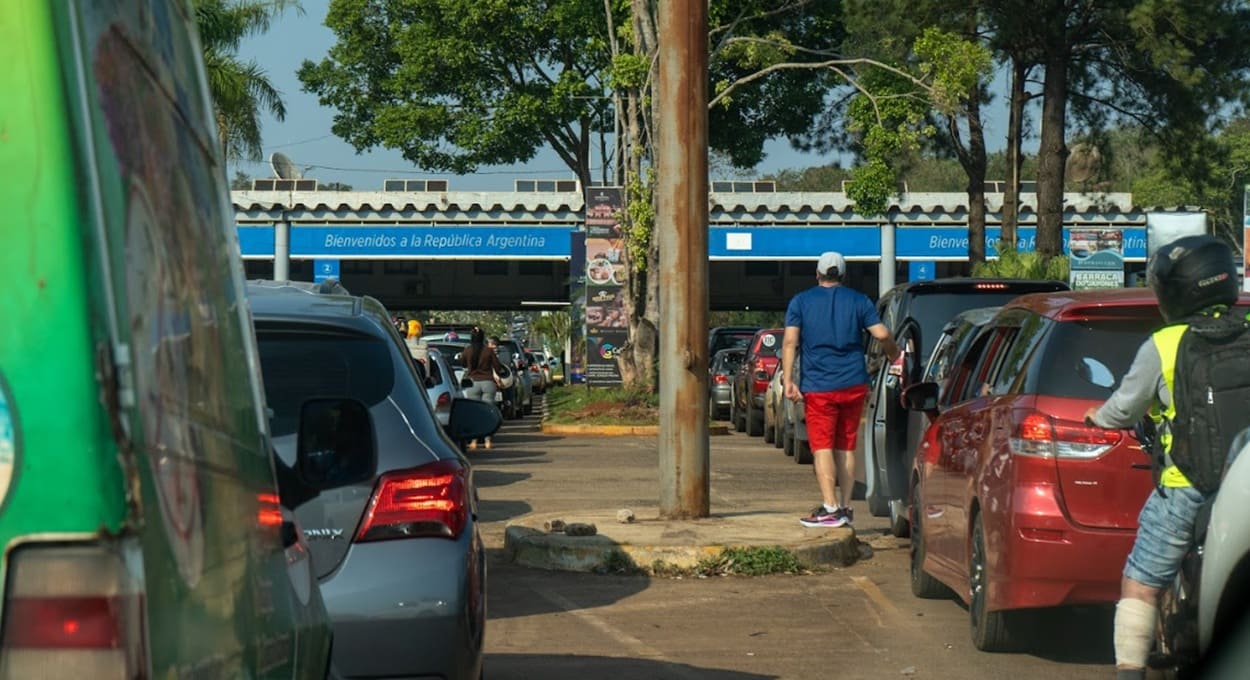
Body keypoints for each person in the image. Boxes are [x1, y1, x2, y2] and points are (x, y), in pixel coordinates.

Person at [1081, 235, 1241, 680]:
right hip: (1242, 481)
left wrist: (1098, 417)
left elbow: (1125, 408)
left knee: (1141, 582)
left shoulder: (1165, 344)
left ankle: (1130, 672)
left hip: (1187, 486)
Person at [782, 251, 899, 528]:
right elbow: (881, 334)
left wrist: (788, 380)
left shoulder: (801, 301)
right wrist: (895, 356)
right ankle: (846, 507)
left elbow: (790, 342)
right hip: (853, 384)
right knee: (846, 447)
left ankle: (830, 507)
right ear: (843, 276)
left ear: (818, 274)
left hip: (819, 386)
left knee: (822, 447)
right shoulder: (859, 301)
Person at [459, 326, 499, 450]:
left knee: (474, 413)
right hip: (488, 383)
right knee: (488, 412)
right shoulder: (489, 351)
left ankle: (474, 441)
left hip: (472, 383)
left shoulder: (467, 350)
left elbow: (463, 364)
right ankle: (487, 441)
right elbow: (497, 367)